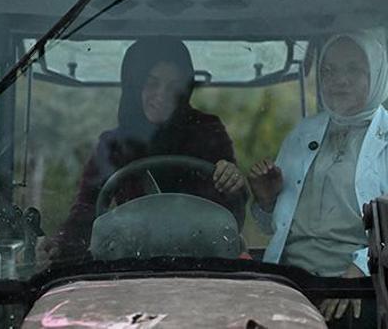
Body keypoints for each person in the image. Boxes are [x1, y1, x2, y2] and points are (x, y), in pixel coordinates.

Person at [248, 30, 388, 321]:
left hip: (359, 286)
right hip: (290, 282)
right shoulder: (302, 134)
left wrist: (358, 273)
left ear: (376, 73)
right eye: (329, 71)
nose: (339, 80)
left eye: (354, 69)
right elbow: (273, 227)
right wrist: (266, 200)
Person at [47, 37, 247, 258]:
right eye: (152, 83)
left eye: (174, 87)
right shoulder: (113, 145)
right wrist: (61, 244)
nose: (162, 95)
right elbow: (86, 208)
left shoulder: (208, 131)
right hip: (131, 266)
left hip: (202, 264)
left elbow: (231, 210)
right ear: (135, 85)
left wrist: (231, 181)